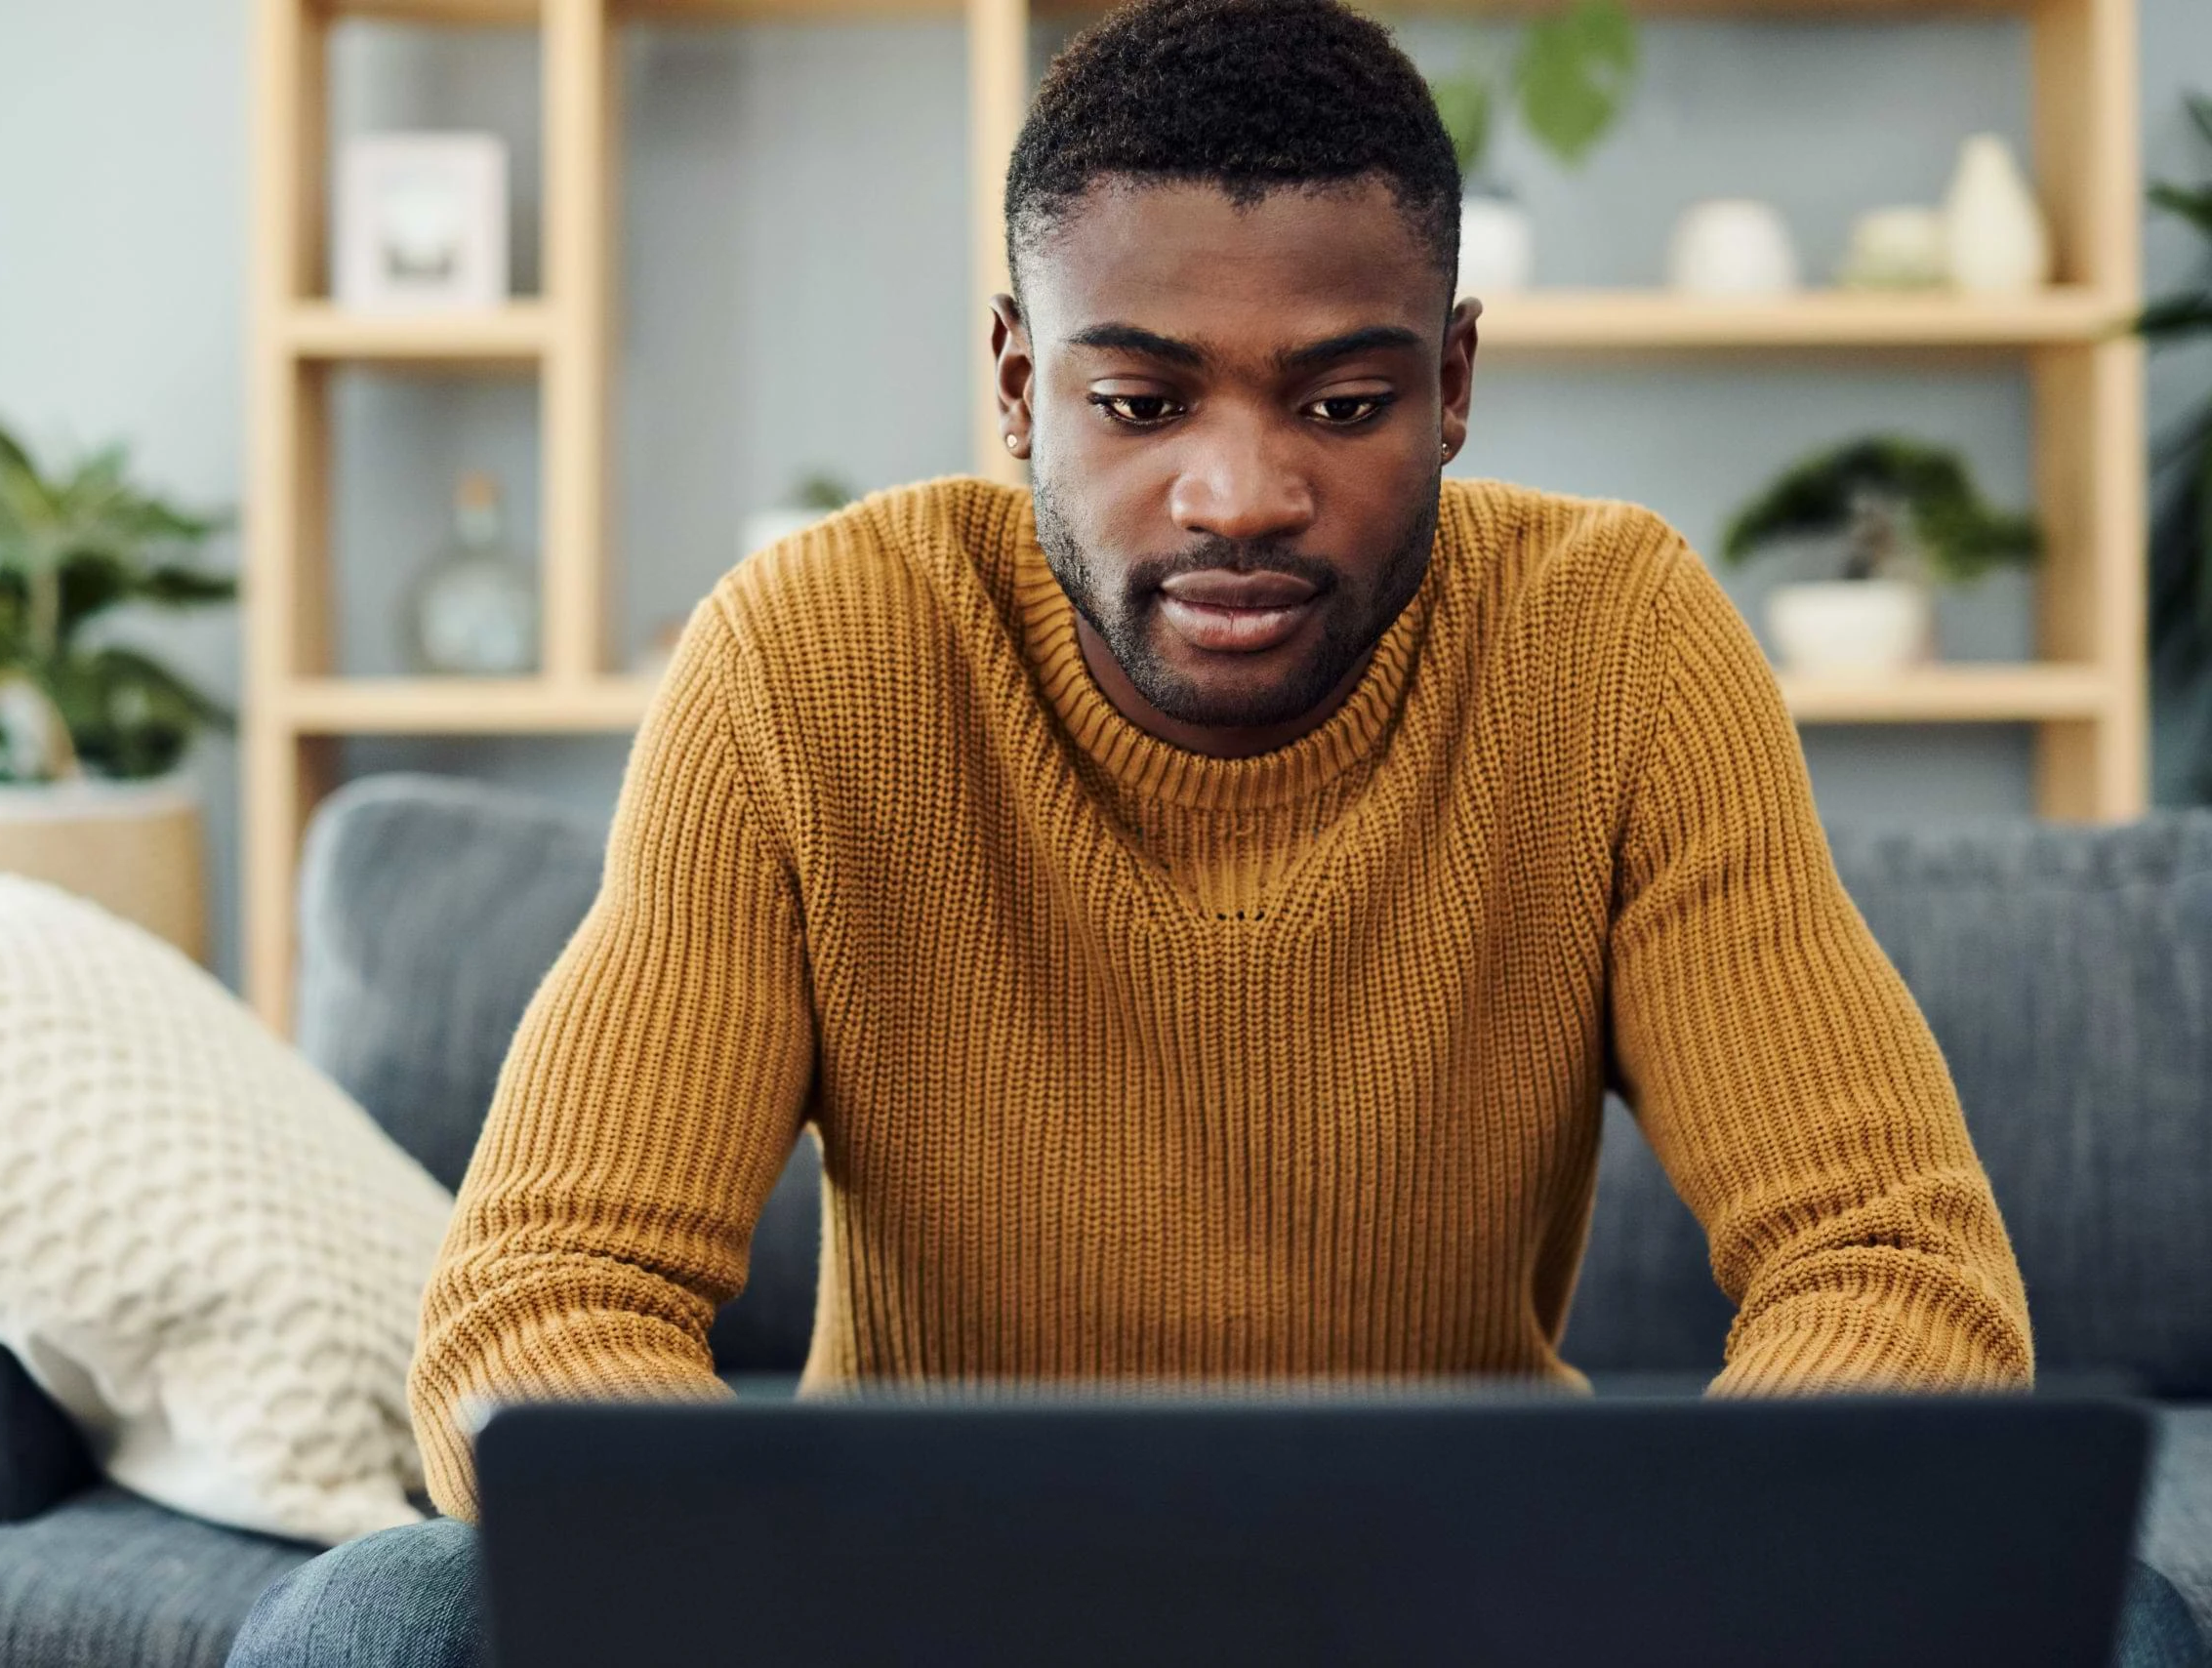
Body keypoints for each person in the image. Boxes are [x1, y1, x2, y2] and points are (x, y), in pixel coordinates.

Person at [231, 0, 2206, 1660]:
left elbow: (1887, 1265)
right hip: (899, 1621)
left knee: (2111, 1615)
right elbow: (543, 1293)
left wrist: (1628, 1599)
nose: (1235, 493)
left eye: (1338, 403)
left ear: (1447, 386)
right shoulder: (806, 659)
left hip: (1482, 1617)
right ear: (1019, 385)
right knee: (375, 1617)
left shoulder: (1612, 642)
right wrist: (814, 1595)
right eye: (1139, 398)